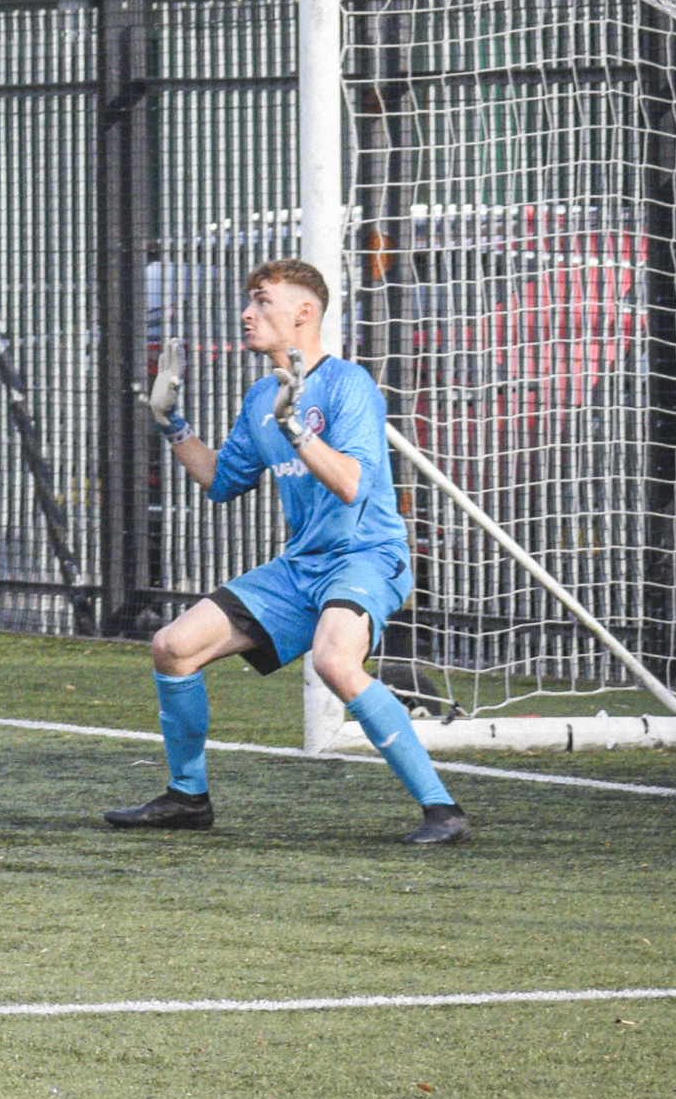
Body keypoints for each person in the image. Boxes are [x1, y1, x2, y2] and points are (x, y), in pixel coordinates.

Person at [112, 258, 470, 846]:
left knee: (334, 661)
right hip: (302, 567)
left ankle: (443, 810)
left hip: (368, 557)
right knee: (172, 648)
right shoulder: (261, 396)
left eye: (261, 301)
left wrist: (300, 433)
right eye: (248, 302)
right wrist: (172, 424)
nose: (247, 313)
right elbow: (223, 482)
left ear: (304, 312)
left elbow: (353, 482)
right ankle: (188, 797)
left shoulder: (348, 384)